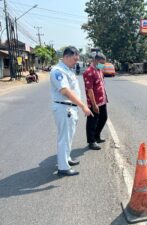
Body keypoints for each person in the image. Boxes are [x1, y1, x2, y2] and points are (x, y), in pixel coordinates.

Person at [50, 46, 93, 176]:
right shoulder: (57, 71)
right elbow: (65, 91)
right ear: (67, 56)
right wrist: (83, 106)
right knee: (64, 138)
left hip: (69, 108)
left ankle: (66, 159)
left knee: (69, 137)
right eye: (74, 59)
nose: (76, 62)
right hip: (64, 107)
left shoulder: (68, 69)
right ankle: (63, 167)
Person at [83, 53, 108, 150]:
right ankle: (91, 141)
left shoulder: (99, 70)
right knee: (92, 121)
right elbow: (90, 90)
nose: (103, 65)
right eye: (101, 63)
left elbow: (101, 84)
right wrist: (94, 105)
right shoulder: (88, 72)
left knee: (104, 118)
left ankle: (97, 136)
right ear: (96, 61)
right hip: (94, 102)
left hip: (102, 100)